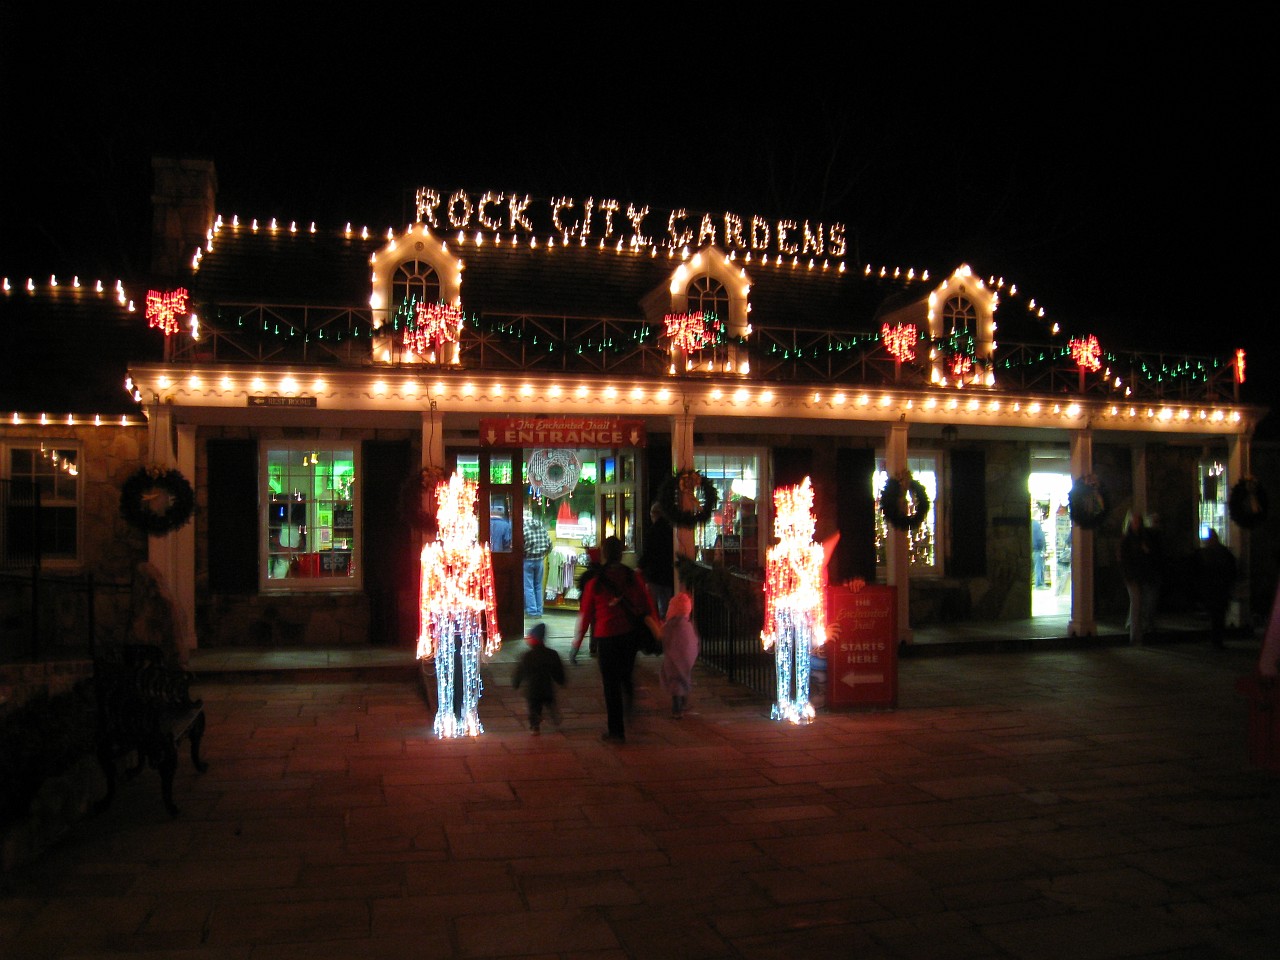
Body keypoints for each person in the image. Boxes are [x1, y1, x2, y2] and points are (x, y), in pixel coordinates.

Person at [570, 535, 658, 744]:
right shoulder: (632, 577)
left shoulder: (595, 582)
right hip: (628, 635)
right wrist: (657, 628)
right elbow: (647, 603)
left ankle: (616, 730)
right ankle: (630, 706)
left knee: (610, 685)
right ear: (621, 553)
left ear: (604, 554)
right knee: (626, 675)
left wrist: (576, 644)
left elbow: (586, 615)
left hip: (606, 637)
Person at [512, 623, 565, 734]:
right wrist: (561, 680)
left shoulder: (527, 656)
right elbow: (557, 670)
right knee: (549, 702)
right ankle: (552, 713)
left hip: (533, 689)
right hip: (547, 688)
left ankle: (535, 725)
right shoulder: (552, 654)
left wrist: (516, 683)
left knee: (534, 707)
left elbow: (520, 672)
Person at [1119, 510, 1158, 645]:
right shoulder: (1127, 540)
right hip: (1132, 576)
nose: (1136, 524)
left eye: (1138, 521)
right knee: (1136, 603)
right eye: (1134, 522)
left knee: (1140, 603)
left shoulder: (1143, 538)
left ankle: (1137, 632)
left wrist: (1147, 551)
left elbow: (1150, 554)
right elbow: (1124, 559)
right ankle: (1135, 636)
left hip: (1141, 574)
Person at [659, 591, 699, 718]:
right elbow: (693, 641)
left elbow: (663, 637)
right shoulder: (687, 625)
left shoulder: (669, 626)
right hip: (685, 659)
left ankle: (678, 707)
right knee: (683, 680)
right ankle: (680, 706)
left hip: (672, 660)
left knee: (675, 683)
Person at [1198, 529, 1237, 648]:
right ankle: (1217, 639)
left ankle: (1215, 639)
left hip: (1212, 588)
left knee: (1215, 615)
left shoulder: (1207, 553)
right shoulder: (1223, 552)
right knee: (1219, 615)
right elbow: (1231, 569)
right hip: (1221, 588)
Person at [639, 502, 675, 618]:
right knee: (665, 606)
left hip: (654, 575)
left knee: (651, 607)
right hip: (668, 574)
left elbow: (648, 553)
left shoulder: (652, 532)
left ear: (654, 514)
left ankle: (655, 631)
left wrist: (640, 566)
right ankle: (665, 628)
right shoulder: (671, 531)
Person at [523, 511, 551, 617]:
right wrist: (544, 555)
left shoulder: (524, 529)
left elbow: (521, 546)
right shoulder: (542, 528)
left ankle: (532, 611)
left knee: (528, 587)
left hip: (528, 560)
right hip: (540, 560)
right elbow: (549, 544)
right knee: (538, 586)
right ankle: (539, 610)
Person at [1031, 511, 1047, 588]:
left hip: (1030, 549)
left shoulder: (1030, 524)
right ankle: (1039, 583)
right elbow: (1040, 537)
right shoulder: (1036, 524)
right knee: (1039, 567)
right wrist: (1043, 548)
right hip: (1037, 549)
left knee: (1033, 567)